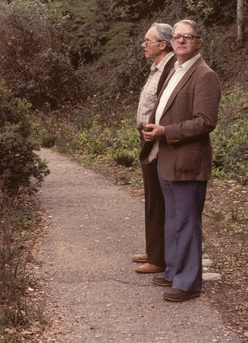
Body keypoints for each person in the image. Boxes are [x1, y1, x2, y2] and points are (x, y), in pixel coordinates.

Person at [140, 19, 221, 302]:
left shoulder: (204, 74)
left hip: (188, 161)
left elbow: (205, 122)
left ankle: (188, 283)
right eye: (177, 36)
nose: (181, 41)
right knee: (173, 220)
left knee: (186, 222)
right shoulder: (175, 69)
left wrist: (166, 132)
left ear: (199, 41)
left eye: (188, 36)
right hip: (167, 158)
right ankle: (174, 270)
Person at [133, 23, 176, 274]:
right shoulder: (157, 67)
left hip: (159, 141)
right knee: (151, 197)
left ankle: (158, 258)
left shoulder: (170, 68)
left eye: (147, 40)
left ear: (162, 44)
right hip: (149, 138)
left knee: (158, 200)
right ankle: (154, 251)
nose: (143, 44)